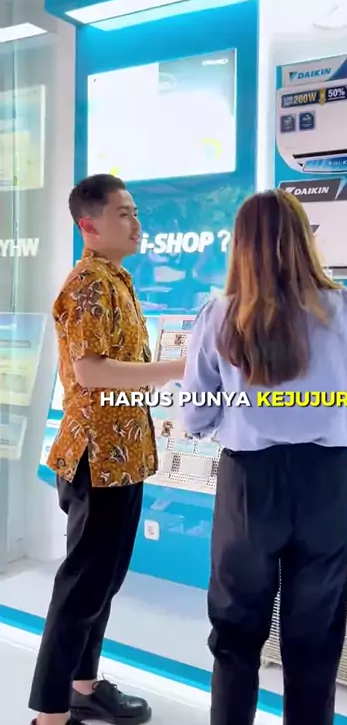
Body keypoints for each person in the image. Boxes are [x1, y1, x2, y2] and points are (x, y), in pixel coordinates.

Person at [180, 188, 347, 725]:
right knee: (314, 639)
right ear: (303, 240)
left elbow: (194, 415)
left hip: (247, 484)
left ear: (241, 246)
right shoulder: (343, 307)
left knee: (236, 637)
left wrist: (232, 418)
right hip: (322, 484)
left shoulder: (217, 315)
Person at [29, 174, 186, 725]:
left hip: (123, 456)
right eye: (123, 214)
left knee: (102, 583)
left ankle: (83, 686)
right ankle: (50, 714)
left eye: (135, 212)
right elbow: (90, 372)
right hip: (97, 456)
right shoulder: (89, 285)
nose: (136, 223)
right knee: (81, 587)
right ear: (89, 226)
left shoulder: (115, 278)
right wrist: (178, 368)